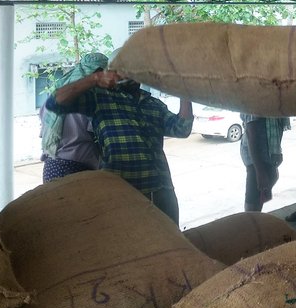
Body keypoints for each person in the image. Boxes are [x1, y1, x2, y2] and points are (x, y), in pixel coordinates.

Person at [44, 52, 194, 225]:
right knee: (128, 247)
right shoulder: (100, 99)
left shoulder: (153, 104)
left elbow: (182, 129)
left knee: (172, 245)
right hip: (122, 194)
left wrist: (185, 91)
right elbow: (54, 102)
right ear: (114, 72)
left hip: (163, 192)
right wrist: (94, 79)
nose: (132, 74)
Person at [39, 52, 108, 182]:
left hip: (51, 166)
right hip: (78, 168)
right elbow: (99, 137)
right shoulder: (91, 98)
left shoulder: (57, 93)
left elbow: (43, 129)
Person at [240, 114, 290, 212]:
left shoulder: (272, 102)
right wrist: (260, 171)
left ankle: (255, 221)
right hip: (256, 158)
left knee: (266, 185)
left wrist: (277, 151)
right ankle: (252, 224)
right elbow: (251, 134)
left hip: (268, 154)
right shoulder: (255, 101)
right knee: (253, 202)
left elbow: (277, 124)